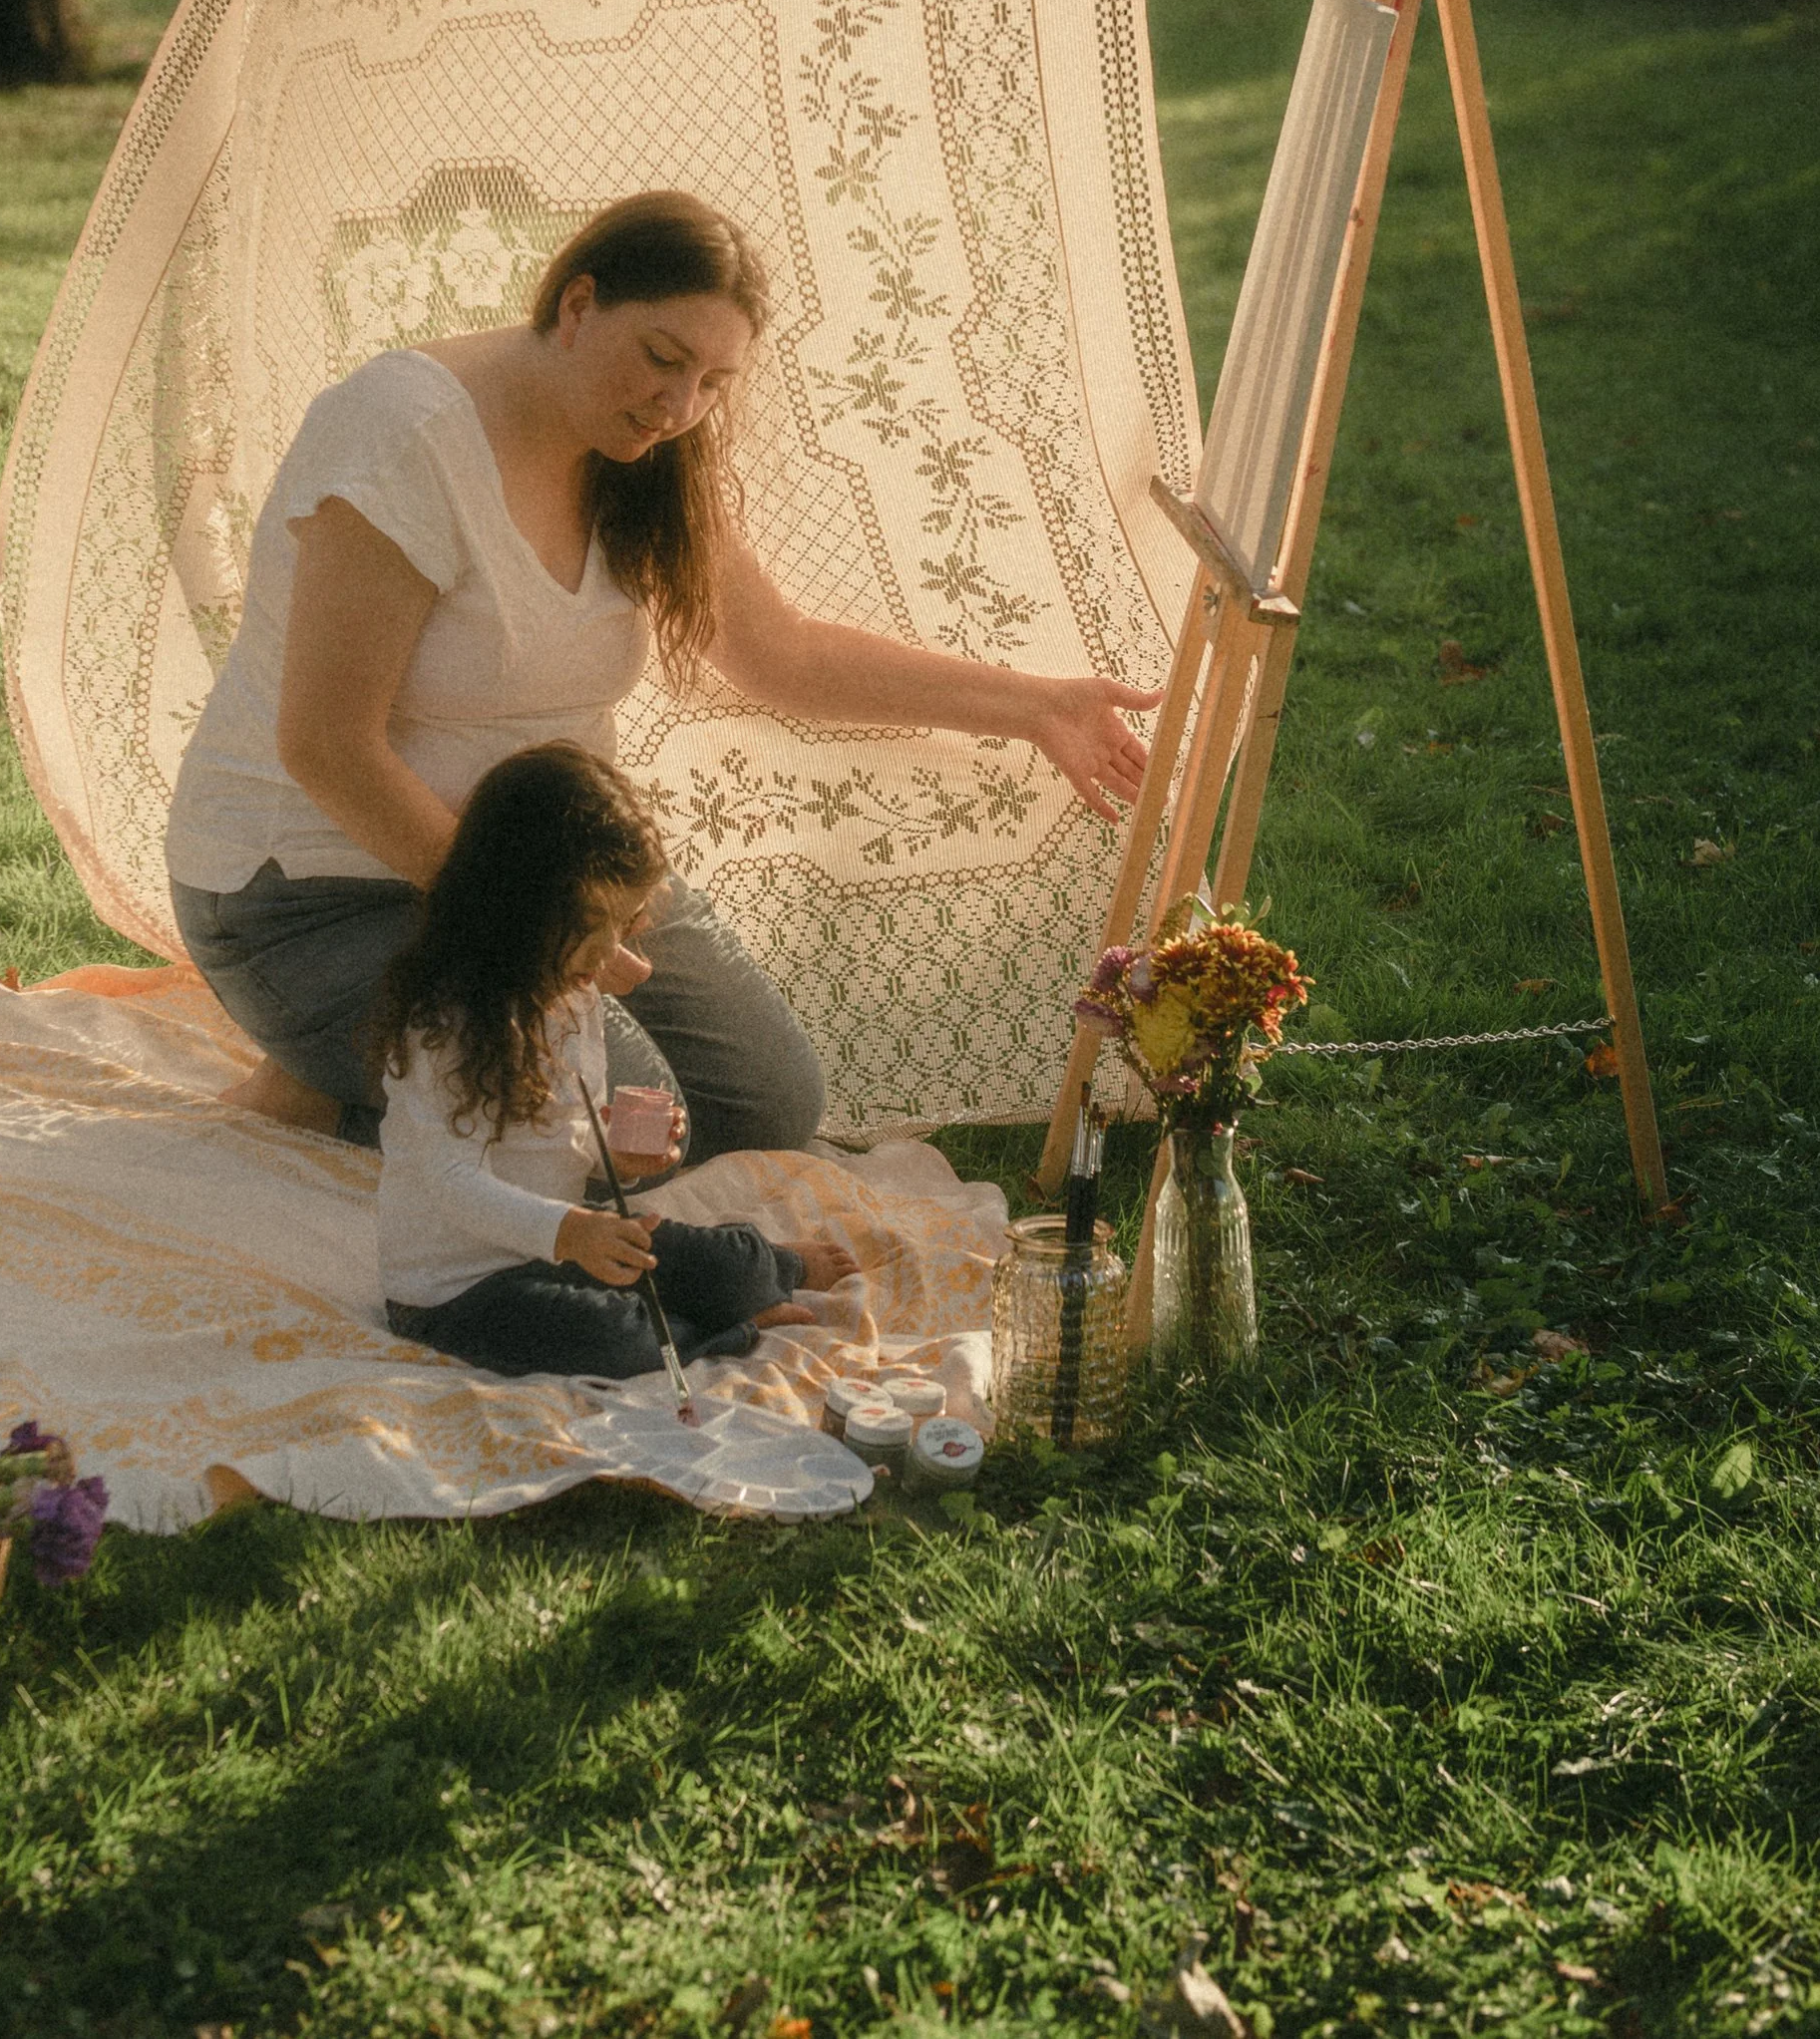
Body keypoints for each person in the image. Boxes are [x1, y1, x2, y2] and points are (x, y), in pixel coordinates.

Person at [167, 188, 1158, 1151]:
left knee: (769, 1103)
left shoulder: (641, 449)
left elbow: (785, 654)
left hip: (534, 873)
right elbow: (327, 746)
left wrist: (1036, 706)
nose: (680, 404)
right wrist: (539, 930)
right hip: (308, 890)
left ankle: (406, 1091)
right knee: (622, 1132)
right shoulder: (403, 432)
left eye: (712, 382)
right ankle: (322, 1097)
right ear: (579, 303)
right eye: (662, 358)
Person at [370, 744, 858, 1378]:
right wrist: (571, 1232)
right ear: (513, 902)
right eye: (588, 923)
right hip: (461, 1288)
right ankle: (721, 1333)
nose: (608, 953)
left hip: (565, 1242)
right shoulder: (445, 1022)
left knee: (718, 1264)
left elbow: (564, 1129)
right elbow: (451, 1182)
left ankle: (769, 1271)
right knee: (612, 1341)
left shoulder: (572, 995)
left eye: (623, 924)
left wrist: (614, 1162)